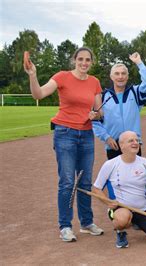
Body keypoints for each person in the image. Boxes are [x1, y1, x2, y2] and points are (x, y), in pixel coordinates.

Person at [24, 47, 104, 242]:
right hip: (65, 133)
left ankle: (86, 223)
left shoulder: (94, 82)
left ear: (91, 62)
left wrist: (96, 114)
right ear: (74, 60)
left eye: (88, 60)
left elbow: (99, 111)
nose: (84, 63)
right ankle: (65, 226)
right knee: (67, 181)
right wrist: (32, 75)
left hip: (86, 134)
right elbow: (38, 94)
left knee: (85, 181)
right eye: (81, 59)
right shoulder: (62, 77)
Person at [92, 131, 146, 248]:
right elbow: (96, 189)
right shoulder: (110, 165)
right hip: (120, 209)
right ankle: (120, 231)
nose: (135, 143)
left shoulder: (145, 163)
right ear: (121, 145)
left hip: (143, 209)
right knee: (123, 219)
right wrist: (108, 202)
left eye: (137, 140)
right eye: (131, 141)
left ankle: (138, 223)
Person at [93, 52, 146, 159]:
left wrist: (139, 63)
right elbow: (95, 122)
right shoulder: (102, 97)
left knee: (136, 175)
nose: (120, 77)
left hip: (133, 143)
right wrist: (107, 138)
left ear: (127, 76)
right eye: (117, 74)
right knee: (116, 175)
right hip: (113, 145)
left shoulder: (136, 93)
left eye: (123, 73)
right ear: (111, 77)